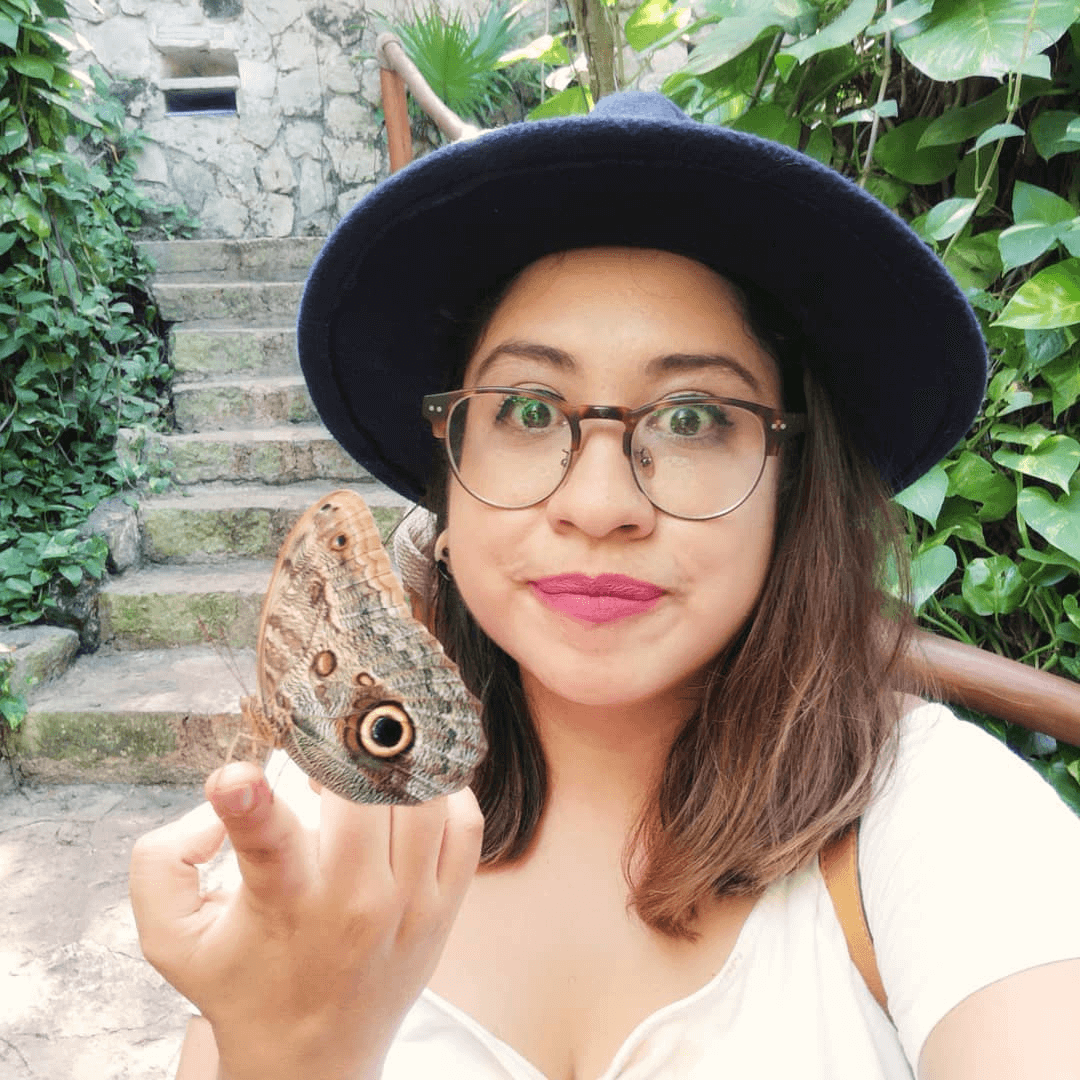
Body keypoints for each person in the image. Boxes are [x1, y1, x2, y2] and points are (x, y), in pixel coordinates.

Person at [129, 92, 1080, 1080]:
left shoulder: (939, 821)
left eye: (693, 417)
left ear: (790, 486)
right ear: (450, 483)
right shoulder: (333, 820)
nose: (598, 502)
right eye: (529, 409)